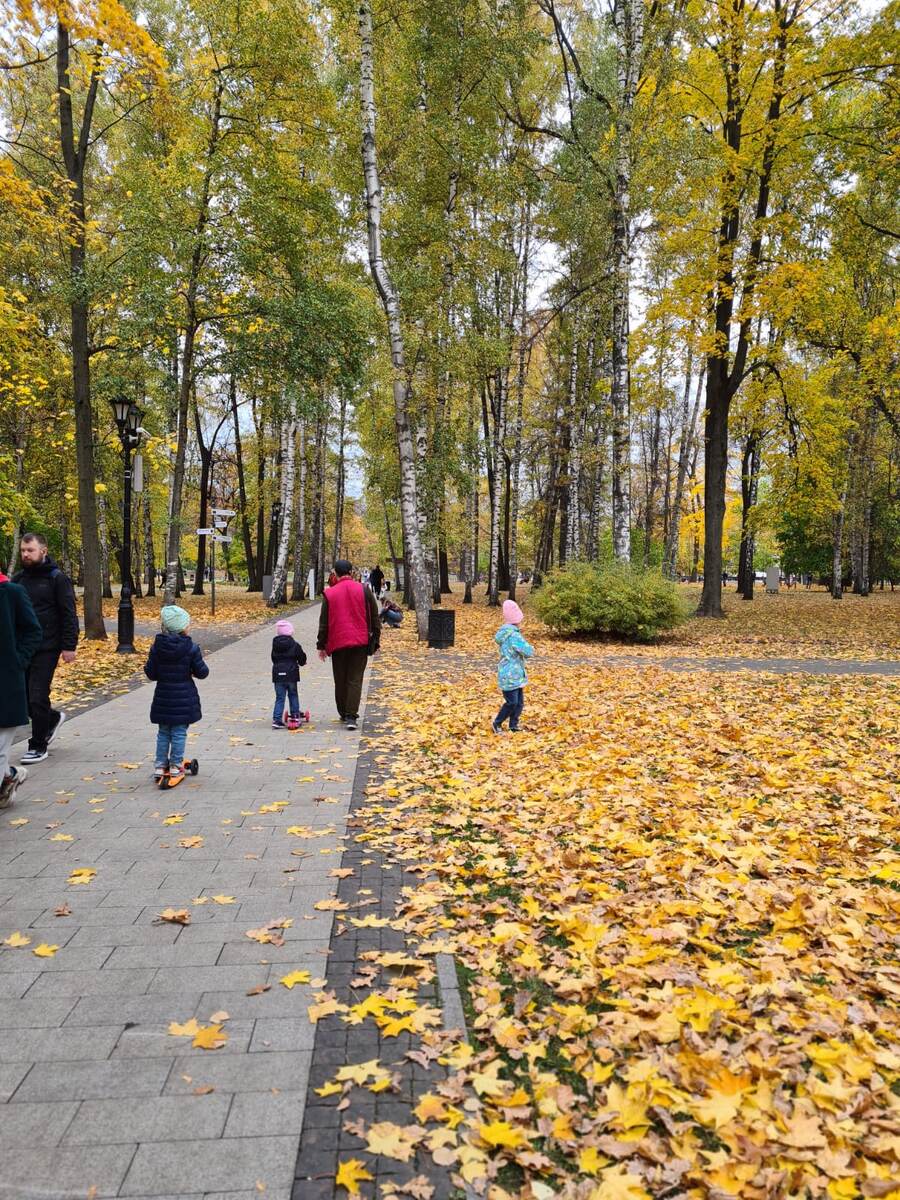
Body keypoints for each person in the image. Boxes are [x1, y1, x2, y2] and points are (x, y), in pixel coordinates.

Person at [13, 532, 79, 766]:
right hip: (22, 648)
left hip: (48, 646)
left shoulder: (56, 578)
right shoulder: (18, 579)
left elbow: (68, 613)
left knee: (38, 695)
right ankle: (52, 719)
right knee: (24, 698)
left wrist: (69, 645)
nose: (25, 554)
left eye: (30, 550)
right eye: (23, 550)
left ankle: (37, 745)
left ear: (43, 551)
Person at [144, 605, 209, 783]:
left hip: (163, 697)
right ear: (182, 627)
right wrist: (193, 670)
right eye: (187, 624)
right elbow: (202, 672)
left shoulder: (157, 647)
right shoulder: (191, 648)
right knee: (179, 732)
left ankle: (160, 765)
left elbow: (151, 673)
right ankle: (175, 765)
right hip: (183, 697)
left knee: (163, 732)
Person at [317, 559, 379, 731]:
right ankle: (352, 716)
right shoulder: (364, 589)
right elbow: (374, 616)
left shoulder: (329, 593)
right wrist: (376, 639)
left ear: (335, 574)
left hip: (338, 642)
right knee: (355, 679)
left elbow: (324, 623)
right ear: (351, 572)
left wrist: (321, 645)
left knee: (340, 679)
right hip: (360, 641)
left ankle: (343, 712)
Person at [0, 571, 43, 806]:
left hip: (5, 685)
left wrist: (17, 662)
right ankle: (10, 776)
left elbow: (33, 631)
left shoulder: (12, 592)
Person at [492, 599, 534, 734]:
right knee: (512, 702)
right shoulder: (514, 636)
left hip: (511, 673)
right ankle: (497, 723)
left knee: (518, 702)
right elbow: (528, 652)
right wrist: (531, 647)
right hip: (512, 674)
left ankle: (513, 725)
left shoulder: (504, 633)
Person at [271, 618, 307, 728]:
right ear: (290, 632)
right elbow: (301, 656)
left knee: (279, 697)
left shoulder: (275, 645)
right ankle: (295, 716)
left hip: (278, 675)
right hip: (291, 674)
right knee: (293, 695)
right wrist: (302, 662)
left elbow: (273, 658)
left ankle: (277, 720)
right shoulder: (295, 645)